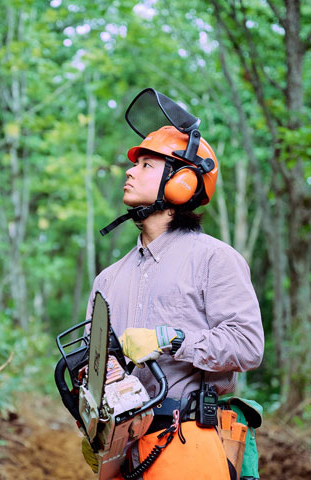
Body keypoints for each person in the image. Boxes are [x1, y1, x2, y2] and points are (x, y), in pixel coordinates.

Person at [83, 112, 265, 479]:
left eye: (146, 165)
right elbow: (94, 361)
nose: (129, 172)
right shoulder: (108, 279)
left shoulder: (215, 259)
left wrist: (171, 339)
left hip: (189, 438)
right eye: (134, 165)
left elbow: (248, 345)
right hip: (121, 447)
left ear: (182, 181)